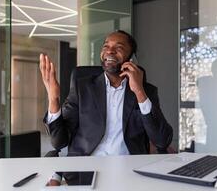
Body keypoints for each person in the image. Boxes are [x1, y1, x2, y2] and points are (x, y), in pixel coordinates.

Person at [40, 30, 173, 184]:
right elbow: (59, 142)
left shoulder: (146, 91)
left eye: (119, 47)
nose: (110, 51)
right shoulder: (82, 87)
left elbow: (162, 140)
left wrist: (139, 92)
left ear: (131, 58)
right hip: (85, 173)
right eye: (106, 46)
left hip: (129, 174)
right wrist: (53, 98)